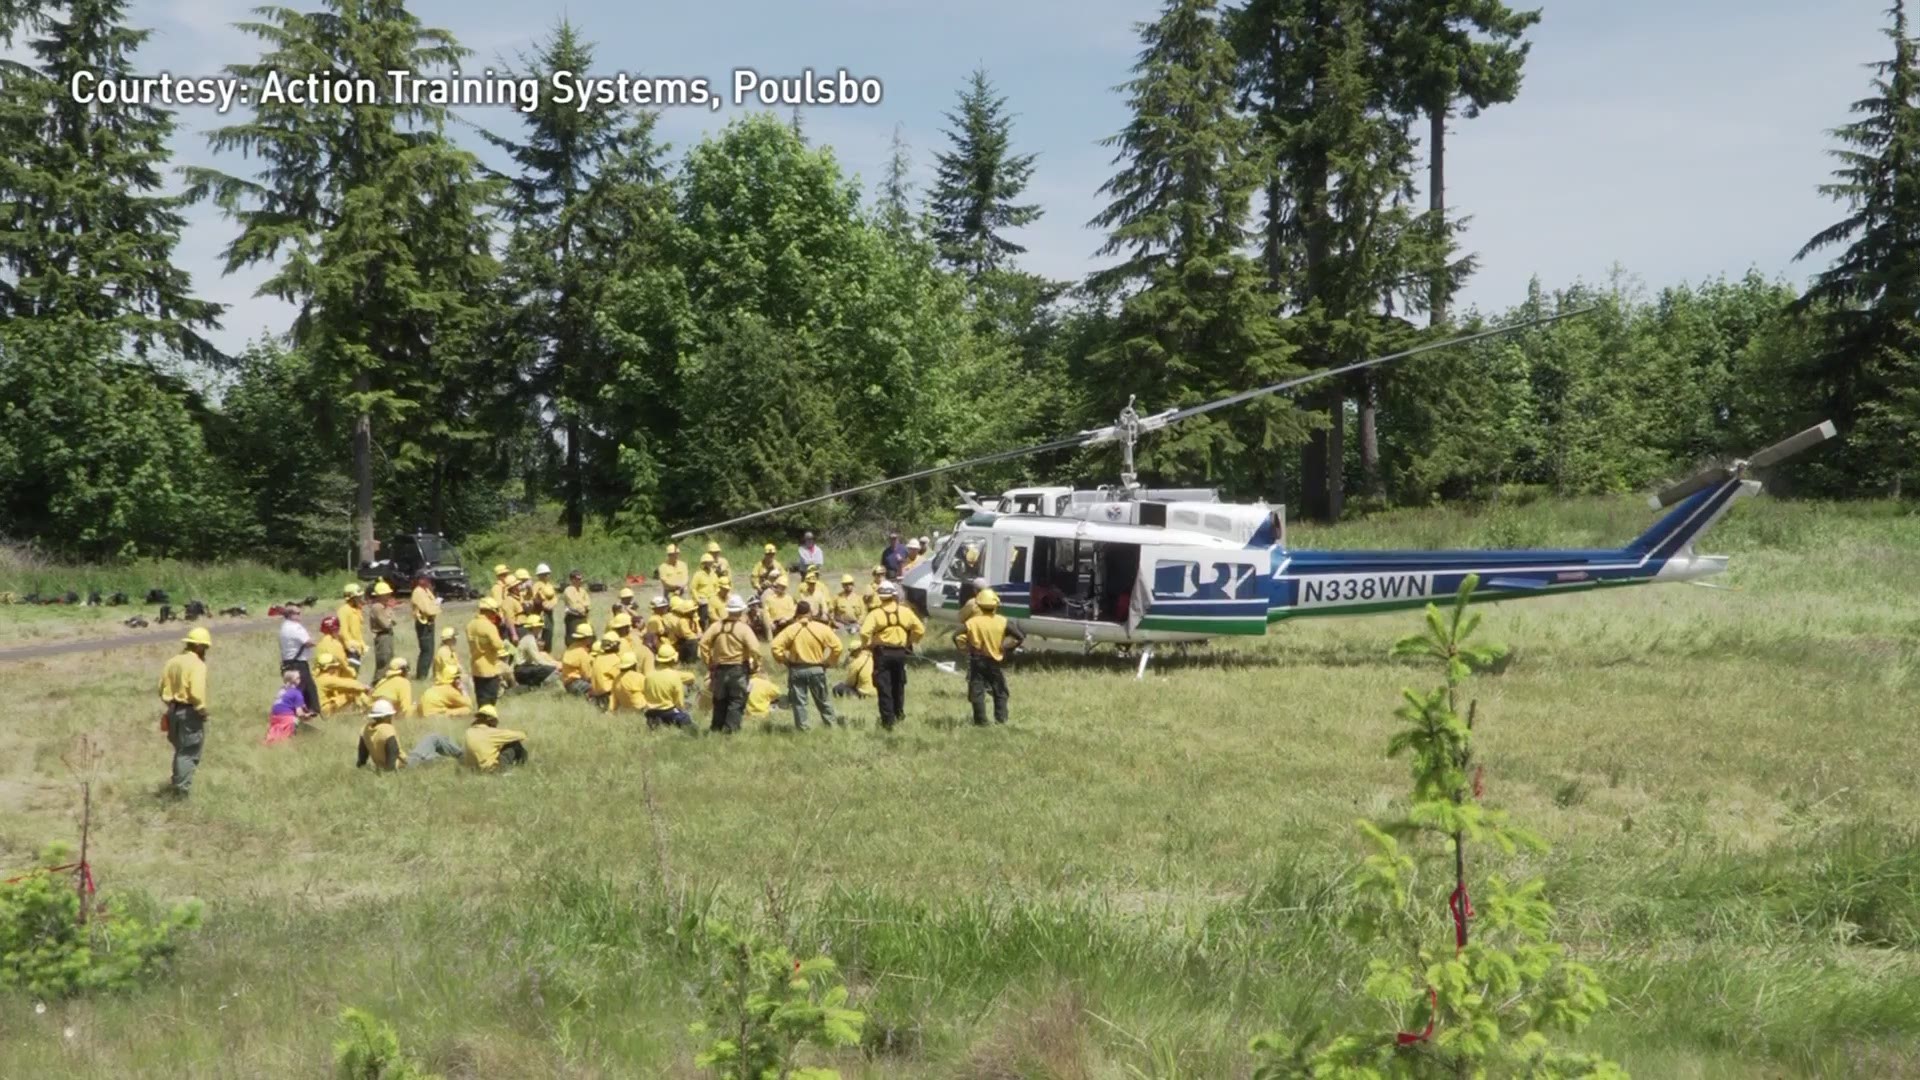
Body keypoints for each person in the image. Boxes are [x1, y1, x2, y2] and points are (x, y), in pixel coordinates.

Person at [859, 581, 925, 730]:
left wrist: (867, 644)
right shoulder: (905, 612)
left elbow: (864, 632)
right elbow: (920, 629)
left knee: (884, 687)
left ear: (880, 597)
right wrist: (910, 642)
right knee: (899, 684)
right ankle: (899, 714)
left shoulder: (875, 614)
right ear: (894, 595)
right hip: (900, 653)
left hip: (882, 653)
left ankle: (888, 722)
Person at [771, 602, 844, 730]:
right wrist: (828, 662)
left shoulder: (790, 630)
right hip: (817, 669)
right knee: (823, 700)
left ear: (797, 614)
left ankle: (803, 729)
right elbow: (838, 647)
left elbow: (775, 647)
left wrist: (785, 661)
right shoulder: (821, 628)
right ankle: (832, 726)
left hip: (797, 669)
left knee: (799, 703)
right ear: (810, 613)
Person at [956, 588, 1024, 726]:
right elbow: (1020, 637)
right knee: (1000, 691)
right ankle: (1001, 720)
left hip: (976, 660)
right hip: (994, 662)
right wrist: (1007, 649)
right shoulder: (1003, 621)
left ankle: (981, 721)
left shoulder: (972, 622)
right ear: (996, 605)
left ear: (979, 605)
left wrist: (964, 649)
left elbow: (955, 635)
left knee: (977, 692)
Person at [157, 627, 212, 796]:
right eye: (206, 648)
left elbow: (161, 688)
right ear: (199, 647)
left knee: (180, 751)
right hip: (189, 713)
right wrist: (202, 710)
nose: (206, 652)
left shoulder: (172, 661)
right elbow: (196, 692)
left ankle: (176, 784)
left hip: (173, 711)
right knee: (188, 753)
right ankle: (181, 792)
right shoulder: (197, 664)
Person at [699, 594, 761, 734]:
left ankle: (716, 728)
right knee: (736, 700)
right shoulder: (744, 629)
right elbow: (755, 649)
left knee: (719, 700)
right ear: (740, 611)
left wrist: (708, 661)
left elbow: (703, 643)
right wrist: (755, 665)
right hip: (738, 669)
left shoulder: (716, 626)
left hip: (720, 669)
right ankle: (730, 730)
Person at [641, 644, 697, 730]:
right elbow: (679, 703)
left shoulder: (649, 676)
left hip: (651, 713)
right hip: (669, 712)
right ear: (673, 659)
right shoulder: (675, 676)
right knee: (688, 722)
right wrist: (682, 708)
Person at [462, 704, 529, 772]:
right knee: (515, 744)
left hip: (472, 770)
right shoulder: (491, 733)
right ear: (491, 720)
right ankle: (519, 769)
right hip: (490, 770)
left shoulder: (469, 731)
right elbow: (521, 736)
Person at [466, 598, 508, 707]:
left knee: (481, 697)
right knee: (490, 697)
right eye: (494, 612)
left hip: (476, 666)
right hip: (489, 667)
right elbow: (498, 645)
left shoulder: (470, 625)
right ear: (490, 611)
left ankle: (481, 716)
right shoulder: (489, 626)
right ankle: (488, 719)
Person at [278, 603, 319, 713]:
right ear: (291, 615)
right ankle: (307, 714)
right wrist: (315, 640)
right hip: (299, 663)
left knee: (295, 689)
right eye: (298, 613)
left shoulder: (284, 627)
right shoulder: (295, 627)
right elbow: (308, 642)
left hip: (288, 663)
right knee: (307, 690)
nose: (300, 615)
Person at [315, 648, 369, 715]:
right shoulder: (327, 679)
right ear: (329, 667)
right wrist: (364, 687)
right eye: (334, 667)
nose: (336, 669)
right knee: (352, 694)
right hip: (324, 711)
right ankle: (367, 710)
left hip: (318, 708)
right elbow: (347, 684)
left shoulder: (317, 677)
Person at [513, 614, 561, 688]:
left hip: (523, 668)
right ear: (533, 627)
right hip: (521, 670)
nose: (540, 629)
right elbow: (538, 660)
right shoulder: (529, 640)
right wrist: (555, 666)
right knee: (550, 670)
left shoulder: (529, 638)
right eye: (539, 627)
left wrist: (554, 663)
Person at [266, 668, 311, 745]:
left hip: (274, 716)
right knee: (285, 740)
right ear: (294, 681)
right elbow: (299, 713)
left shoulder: (282, 690)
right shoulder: (297, 693)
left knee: (273, 737)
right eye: (298, 678)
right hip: (287, 717)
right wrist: (307, 716)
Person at [409, 574, 440, 675]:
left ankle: (424, 673)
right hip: (423, 624)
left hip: (429, 623)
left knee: (430, 650)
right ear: (420, 580)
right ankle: (421, 675)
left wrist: (435, 607)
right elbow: (427, 609)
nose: (429, 581)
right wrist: (436, 608)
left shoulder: (426, 590)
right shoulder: (418, 592)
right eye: (426, 579)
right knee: (426, 650)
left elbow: (434, 604)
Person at [368, 580, 398, 674]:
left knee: (389, 661)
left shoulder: (385, 606)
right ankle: (376, 684)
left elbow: (394, 621)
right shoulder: (377, 607)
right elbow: (386, 624)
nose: (389, 596)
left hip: (388, 635)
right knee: (383, 663)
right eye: (386, 594)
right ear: (380, 595)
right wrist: (389, 617)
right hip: (382, 636)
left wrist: (389, 614)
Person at [589, 631, 624, 709]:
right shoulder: (614, 660)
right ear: (615, 645)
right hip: (607, 697)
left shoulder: (598, 658)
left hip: (596, 696)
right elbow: (621, 680)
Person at [336, 583, 367, 669]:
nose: (361, 598)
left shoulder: (356, 610)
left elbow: (357, 631)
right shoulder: (344, 610)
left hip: (356, 647)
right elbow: (342, 631)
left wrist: (361, 645)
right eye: (358, 597)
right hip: (349, 649)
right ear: (352, 598)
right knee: (350, 673)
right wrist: (350, 645)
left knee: (355, 672)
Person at [559, 624, 595, 695]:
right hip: (576, 683)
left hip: (567, 683)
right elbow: (587, 675)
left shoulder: (572, 647)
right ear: (586, 638)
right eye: (590, 637)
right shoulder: (582, 652)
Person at [531, 564, 558, 652]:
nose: (547, 576)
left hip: (549, 613)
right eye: (545, 574)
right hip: (541, 613)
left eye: (548, 574)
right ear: (540, 575)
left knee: (549, 633)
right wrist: (544, 603)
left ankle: (547, 652)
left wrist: (552, 604)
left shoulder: (549, 585)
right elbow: (535, 599)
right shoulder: (537, 585)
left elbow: (555, 597)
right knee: (541, 634)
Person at [562, 569, 592, 645]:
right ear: (572, 580)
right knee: (572, 639)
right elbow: (574, 605)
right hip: (573, 618)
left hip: (583, 617)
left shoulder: (583, 591)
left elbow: (588, 603)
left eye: (581, 579)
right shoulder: (568, 590)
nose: (581, 581)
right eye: (578, 579)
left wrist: (582, 606)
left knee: (586, 637)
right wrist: (583, 607)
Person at [689, 555, 719, 629]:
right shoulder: (698, 575)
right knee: (703, 618)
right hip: (702, 600)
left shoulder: (714, 575)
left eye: (710, 562)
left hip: (712, 599)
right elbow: (693, 588)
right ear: (704, 563)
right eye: (707, 563)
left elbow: (717, 587)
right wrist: (697, 600)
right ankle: (703, 629)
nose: (709, 564)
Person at [671, 595, 702, 663]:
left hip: (690, 640)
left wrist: (698, 630)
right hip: (682, 643)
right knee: (693, 641)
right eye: (692, 611)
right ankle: (690, 661)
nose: (694, 612)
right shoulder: (683, 621)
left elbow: (698, 629)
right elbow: (687, 635)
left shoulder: (692, 619)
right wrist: (697, 636)